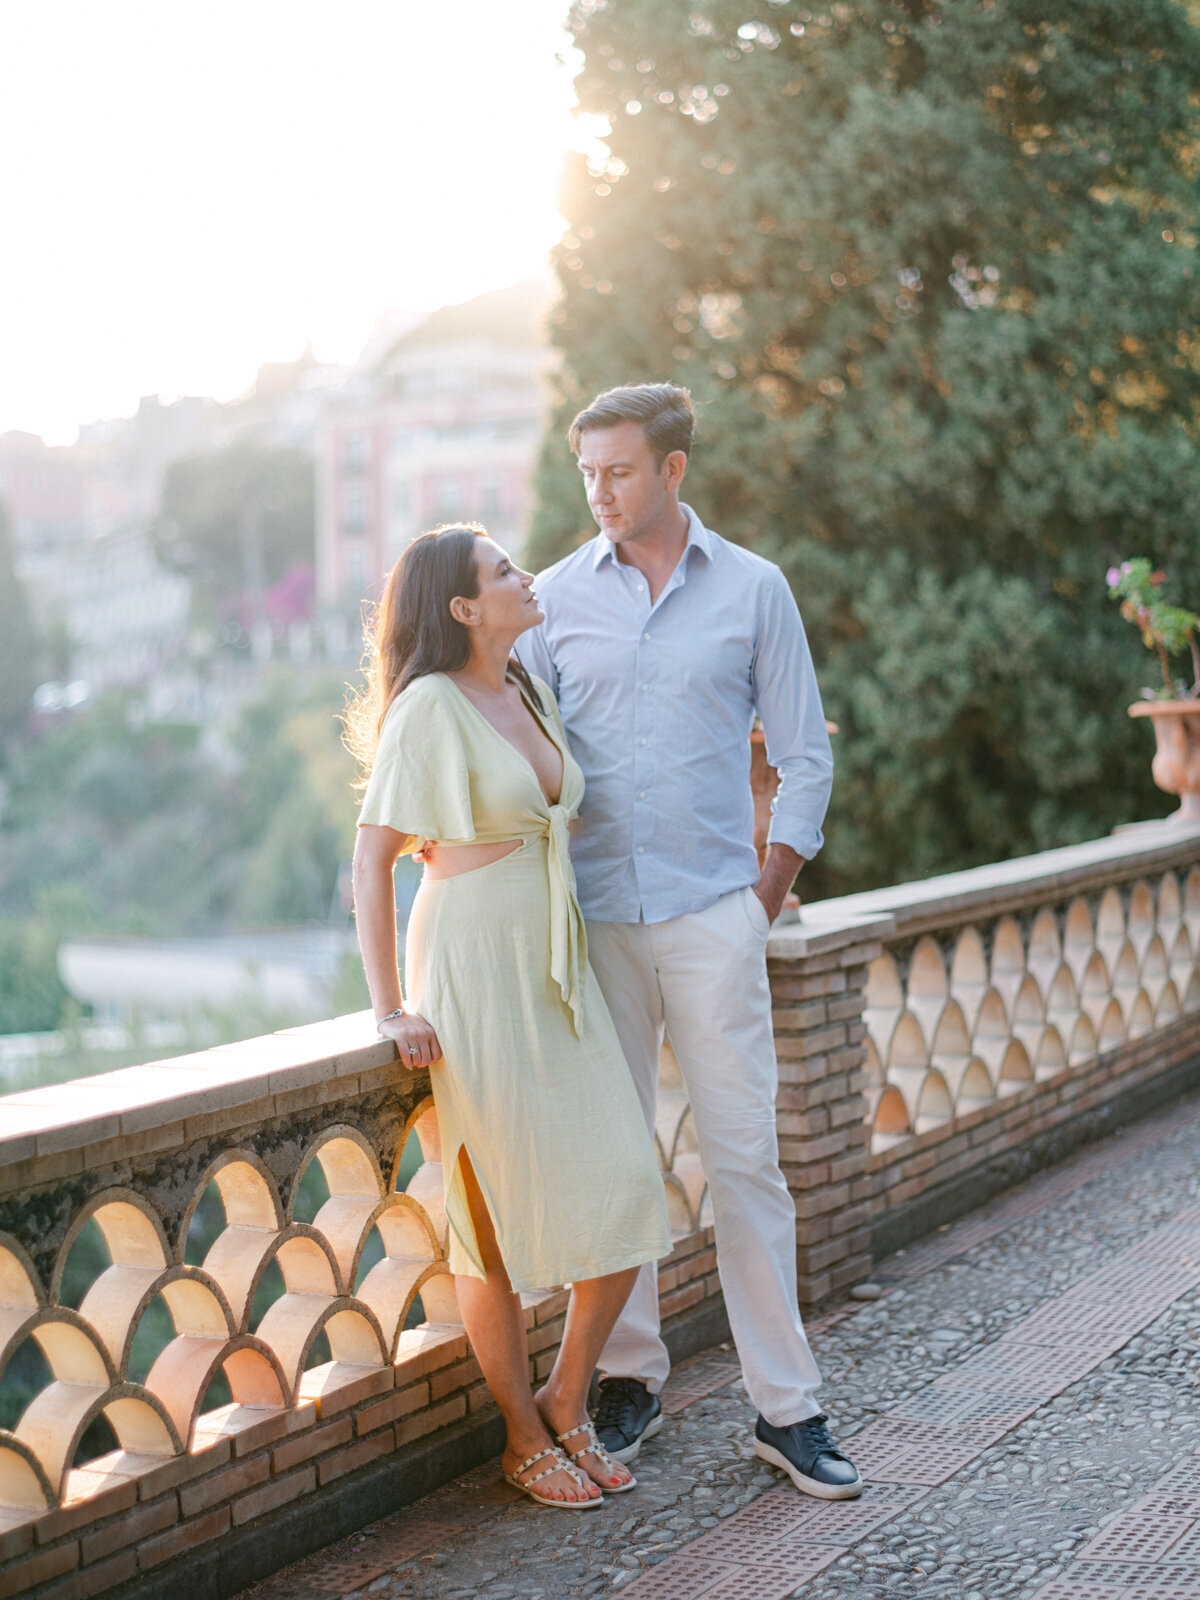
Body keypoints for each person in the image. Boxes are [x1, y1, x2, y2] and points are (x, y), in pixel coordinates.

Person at [516, 384, 863, 1500]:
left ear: (672, 471)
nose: (601, 493)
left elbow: (804, 752)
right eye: (588, 475)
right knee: (618, 1171)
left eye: (620, 471)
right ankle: (629, 1379)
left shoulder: (755, 590)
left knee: (745, 1159)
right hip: (599, 922)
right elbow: (524, 757)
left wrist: (766, 890)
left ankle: (787, 1408)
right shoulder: (556, 599)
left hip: (716, 912)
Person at [349, 523, 672, 1510]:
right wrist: (390, 1005)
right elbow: (373, 856)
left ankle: (568, 1396)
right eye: (504, 572)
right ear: (462, 607)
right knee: (485, 1224)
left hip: (552, 962)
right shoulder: (430, 709)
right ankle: (522, 1436)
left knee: (625, 1183)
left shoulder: (521, 685)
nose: (526, 578)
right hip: (472, 967)